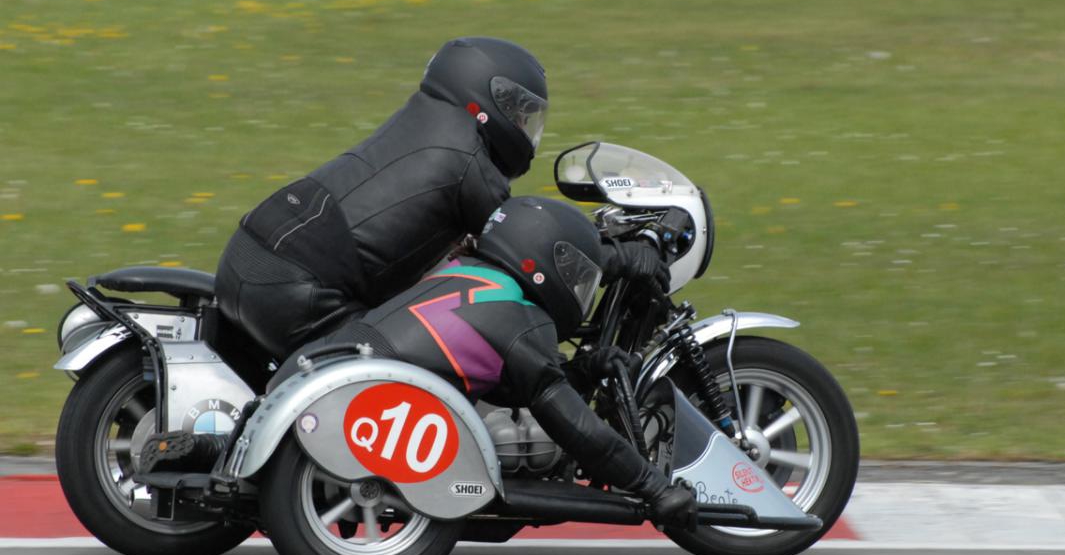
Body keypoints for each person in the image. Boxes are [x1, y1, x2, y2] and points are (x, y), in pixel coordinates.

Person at [145, 196, 695, 526]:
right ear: (545, 263)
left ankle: (212, 448)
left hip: (313, 367)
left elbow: (507, 384)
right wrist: (652, 486)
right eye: (576, 274)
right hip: (356, 405)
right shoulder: (521, 320)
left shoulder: (459, 275)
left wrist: (581, 370)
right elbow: (576, 428)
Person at [213, 36, 667, 365]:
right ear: (492, 99)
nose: (524, 129)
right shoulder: (470, 164)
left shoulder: (421, 124)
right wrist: (619, 257)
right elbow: (534, 250)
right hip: (299, 294)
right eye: (521, 114)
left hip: (247, 258)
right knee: (424, 370)